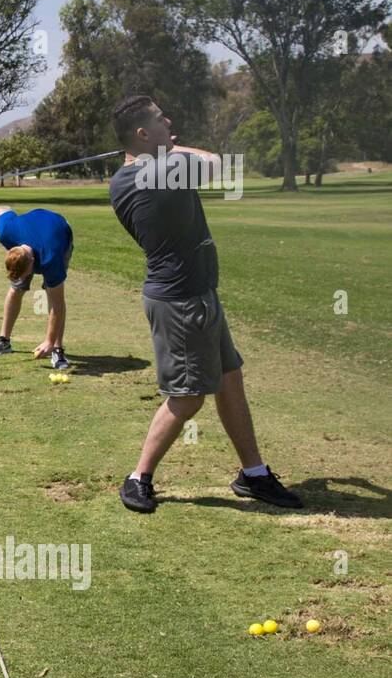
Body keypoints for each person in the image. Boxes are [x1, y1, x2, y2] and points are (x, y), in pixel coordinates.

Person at [107, 94, 302, 513]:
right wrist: (171, 147)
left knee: (230, 378)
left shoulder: (139, 173)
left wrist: (161, 146)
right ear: (142, 134)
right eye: (161, 120)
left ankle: (253, 474)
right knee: (188, 397)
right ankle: (138, 478)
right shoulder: (155, 175)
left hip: (197, 294)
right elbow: (220, 164)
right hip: (180, 303)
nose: (170, 121)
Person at [0, 205, 73, 369]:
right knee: (16, 288)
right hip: (33, 225)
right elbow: (1, 209)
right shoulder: (6, 232)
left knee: (53, 296)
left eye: (25, 274)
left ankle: (57, 350)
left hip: (60, 230)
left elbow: (58, 306)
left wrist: (49, 341)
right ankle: (4, 340)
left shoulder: (51, 258)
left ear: (32, 263)